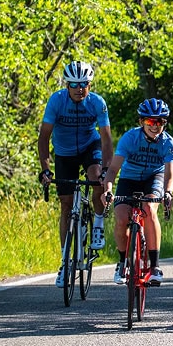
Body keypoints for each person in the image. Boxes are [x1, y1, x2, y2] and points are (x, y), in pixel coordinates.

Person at [38, 61, 113, 289]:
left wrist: (107, 170)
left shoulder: (97, 103)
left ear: (90, 84)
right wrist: (45, 168)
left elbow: (107, 139)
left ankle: (98, 225)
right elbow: (43, 138)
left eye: (84, 84)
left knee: (96, 177)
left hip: (91, 147)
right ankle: (64, 263)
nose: (79, 89)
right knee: (66, 205)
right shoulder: (56, 101)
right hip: (64, 152)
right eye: (74, 85)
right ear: (67, 85)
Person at [102, 98, 173, 286]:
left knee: (150, 209)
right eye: (151, 121)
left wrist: (168, 192)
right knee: (121, 218)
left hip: (154, 178)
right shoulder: (130, 138)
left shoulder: (169, 143)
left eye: (160, 122)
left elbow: (169, 175)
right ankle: (122, 262)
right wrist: (108, 190)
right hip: (129, 179)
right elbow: (112, 171)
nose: (155, 126)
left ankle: (155, 267)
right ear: (141, 121)